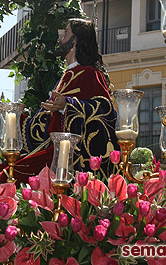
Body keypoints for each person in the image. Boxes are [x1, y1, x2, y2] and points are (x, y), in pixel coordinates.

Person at [10, 18, 118, 183]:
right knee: (2, 171)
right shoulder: (64, 77)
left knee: (9, 174)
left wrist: (69, 105)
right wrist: (10, 118)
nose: (60, 38)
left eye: (66, 33)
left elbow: (105, 110)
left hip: (71, 159)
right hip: (52, 152)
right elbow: (39, 126)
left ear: (76, 40)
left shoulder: (89, 74)